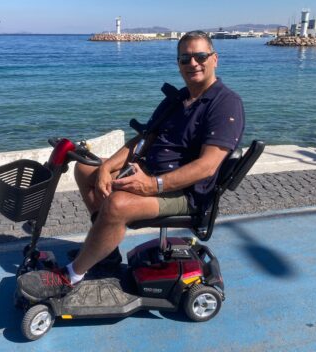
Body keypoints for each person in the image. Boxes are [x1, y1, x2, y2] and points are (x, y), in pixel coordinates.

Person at [17, 30, 245, 301]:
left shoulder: (225, 103)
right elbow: (143, 139)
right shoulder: (178, 99)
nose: (193, 63)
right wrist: (105, 168)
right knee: (85, 169)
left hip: (186, 193)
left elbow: (207, 166)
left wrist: (151, 185)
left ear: (214, 59)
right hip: (150, 172)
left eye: (200, 56)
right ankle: (106, 251)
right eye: (185, 58)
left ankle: (70, 276)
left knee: (117, 204)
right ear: (179, 63)